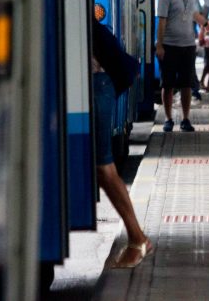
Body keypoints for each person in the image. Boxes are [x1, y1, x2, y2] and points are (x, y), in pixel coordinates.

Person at [91, 19, 153, 268]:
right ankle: (137, 239)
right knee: (102, 168)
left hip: (97, 84)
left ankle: (138, 240)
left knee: (103, 168)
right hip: (98, 84)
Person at [156, 0, 209, 132]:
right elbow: (162, 21)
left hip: (188, 46)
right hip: (170, 45)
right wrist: (160, 45)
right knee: (168, 84)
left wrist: (206, 24)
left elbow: (194, 14)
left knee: (186, 84)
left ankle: (186, 119)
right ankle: (168, 119)